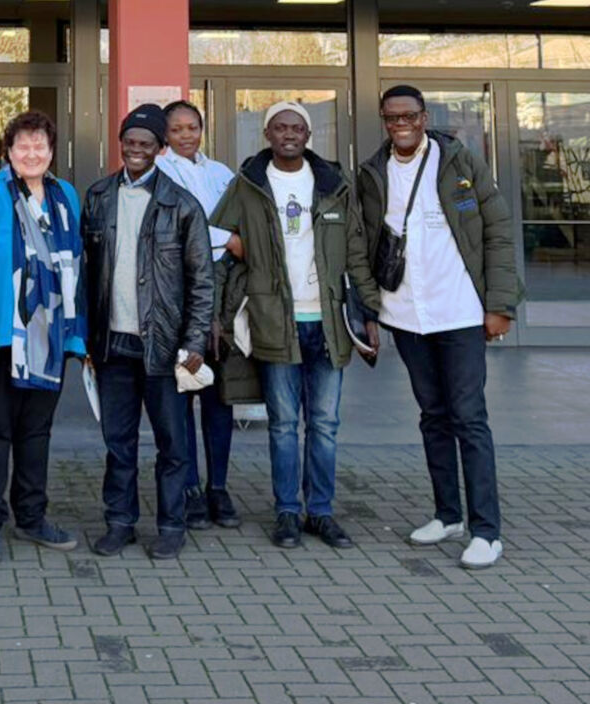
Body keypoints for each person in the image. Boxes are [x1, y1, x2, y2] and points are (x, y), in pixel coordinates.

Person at [356, 84, 523, 570]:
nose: (400, 123)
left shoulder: (459, 163)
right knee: (432, 415)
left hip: (461, 312)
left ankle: (487, 530)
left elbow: (497, 231)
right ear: (383, 120)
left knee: (469, 417)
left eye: (408, 115)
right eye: (391, 117)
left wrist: (500, 305)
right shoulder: (372, 173)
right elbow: (362, 243)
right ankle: (448, 514)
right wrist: (370, 309)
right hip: (406, 314)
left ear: (425, 117)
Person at [212, 101, 382, 551]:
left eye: (297, 127)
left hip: (328, 321)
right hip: (274, 322)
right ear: (267, 133)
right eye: (280, 127)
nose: (289, 134)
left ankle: (320, 513)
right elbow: (214, 237)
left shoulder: (334, 184)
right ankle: (287, 512)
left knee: (324, 423)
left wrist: (367, 313)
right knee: (284, 424)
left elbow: (356, 253)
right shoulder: (248, 183)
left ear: (308, 135)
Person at [0, 111, 88, 567]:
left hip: (47, 338)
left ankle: (31, 516)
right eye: (22, 146)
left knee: (36, 431)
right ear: (8, 152)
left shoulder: (65, 195)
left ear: (52, 151)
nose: (32, 154)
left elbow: (74, 264)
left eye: (40, 146)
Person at [82, 104, 213, 560]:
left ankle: (171, 524)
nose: (136, 150)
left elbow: (202, 282)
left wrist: (194, 343)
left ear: (160, 149)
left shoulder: (182, 205)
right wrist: (84, 340)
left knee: (172, 443)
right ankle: (119, 521)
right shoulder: (98, 197)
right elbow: (85, 274)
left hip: (164, 346)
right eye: (129, 142)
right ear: (120, 144)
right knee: (118, 442)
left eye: (145, 144)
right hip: (112, 343)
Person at [154, 99, 240, 530]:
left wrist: (229, 240)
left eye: (193, 127)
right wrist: (228, 239)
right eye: (177, 129)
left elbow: (240, 219)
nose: (186, 135)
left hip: (222, 293)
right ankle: (188, 487)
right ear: (165, 134)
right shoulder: (161, 172)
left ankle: (218, 488)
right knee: (183, 393)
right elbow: (183, 228)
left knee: (218, 400)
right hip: (180, 294)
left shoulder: (220, 172)